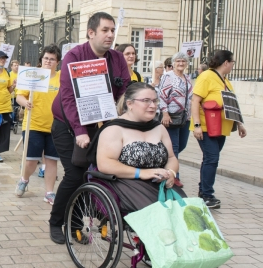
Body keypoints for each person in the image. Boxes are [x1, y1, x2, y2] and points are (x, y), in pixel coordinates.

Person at [49, 12, 130, 244]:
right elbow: (67, 97)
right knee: (74, 175)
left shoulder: (117, 59)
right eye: (105, 30)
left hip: (99, 125)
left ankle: (78, 222)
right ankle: (56, 222)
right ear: (91, 32)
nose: (110, 35)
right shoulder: (74, 56)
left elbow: (124, 92)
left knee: (95, 174)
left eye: (112, 30)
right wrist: (80, 130)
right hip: (68, 124)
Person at [95, 83, 184, 213]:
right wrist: (141, 173)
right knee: (160, 215)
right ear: (130, 104)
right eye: (146, 101)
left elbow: (171, 157)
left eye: (155, 101)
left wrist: (171, 172)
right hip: (126, 183)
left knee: (190, 216)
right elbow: (105, 164)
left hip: (159, 183)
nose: (153, 105)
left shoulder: (159, 128)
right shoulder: (114, 129)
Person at [190, 50, 247, 209]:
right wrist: (196, 125)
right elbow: (195, 100)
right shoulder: (207, 76)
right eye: (233, 62)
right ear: (226, 63)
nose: (233, 65)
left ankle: (203, 191)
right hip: (206, 127)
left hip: (220, 128)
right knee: (212, 158)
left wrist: (239, 124)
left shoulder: (225, 80)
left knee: (210, 159)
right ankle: (207, 194)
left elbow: (231, 105)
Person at [15, 44, 61, 203]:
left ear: (57, 61)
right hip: (33, 125)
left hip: (55, 127)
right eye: (46, 58)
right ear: (41, 59)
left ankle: (49, 192)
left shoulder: (61, 78)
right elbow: (19, 96)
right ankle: (24, 179)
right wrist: (25, 102)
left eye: (52, 59)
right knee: (31, 161)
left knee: (51, 161)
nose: (48, 61)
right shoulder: (32, 74)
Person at [158, 52, 193, 188]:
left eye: (183, 61)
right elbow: (162, 96)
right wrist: (165, 113)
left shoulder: (187, 77)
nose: (181, 63)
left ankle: (165, 162)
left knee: (182, 144)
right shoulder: (168, 76)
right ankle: (175, 176)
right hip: (171, 116)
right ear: (173, 63)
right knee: (175, 147)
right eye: (178, 61)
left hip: (185, 117)